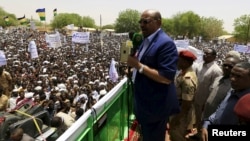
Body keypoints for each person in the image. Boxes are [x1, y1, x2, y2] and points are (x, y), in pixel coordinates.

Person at [127, 9, 180, 141]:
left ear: (158, 22)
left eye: (146, 21)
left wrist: (138, 66)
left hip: (155, 106)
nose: (142, 25)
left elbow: (166, 78)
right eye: (140, 21)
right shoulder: (144, 40)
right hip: (144, 103)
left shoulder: (165, 43)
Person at [201, 61, 250, 141]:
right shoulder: (232, 91)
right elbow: (219, 111)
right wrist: (206, 125)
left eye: (238, 76)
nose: (232, 79)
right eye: (232, 74)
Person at [169, 50, 198, 141]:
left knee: (177, 136)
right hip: (178, 109)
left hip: (181, 114)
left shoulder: (187, 79)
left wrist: (177, 118)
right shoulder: (184, 73)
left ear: (186, 62)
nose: (176, 62)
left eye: (179, 60)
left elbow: (186, 103)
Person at [193, 47, 223, 133]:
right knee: (197, 118)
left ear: (214, 57)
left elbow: (214, 89)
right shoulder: (200, 65)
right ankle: (198, 133)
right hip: (197, 98)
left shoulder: (216, 70)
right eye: (204, 53)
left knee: (204, 120)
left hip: (205, 102)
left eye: (207, 54)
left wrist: (206, 102)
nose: (204, 55)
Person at [202, 56, 240, 121]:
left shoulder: (234, 86)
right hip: (205, 115)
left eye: (230, 66)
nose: (226, 68)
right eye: (225, 65)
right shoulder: (217, 79)